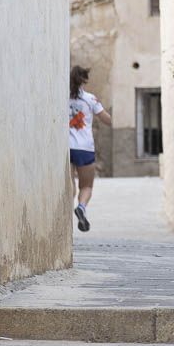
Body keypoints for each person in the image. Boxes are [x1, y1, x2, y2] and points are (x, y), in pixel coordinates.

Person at [69, 65, 112, 232]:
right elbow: (107, 120)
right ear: (84, 81)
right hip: (84, 148)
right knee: (86, 186)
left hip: (66, 148)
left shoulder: (61, 96)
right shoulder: (90, 99)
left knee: (69, 183)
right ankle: (81, 207)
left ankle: (66, 210)